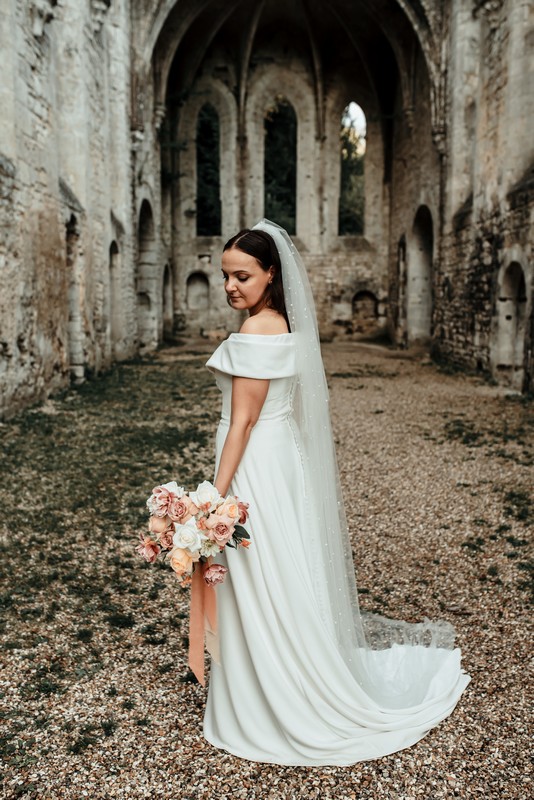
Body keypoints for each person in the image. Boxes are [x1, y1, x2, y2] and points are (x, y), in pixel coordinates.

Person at [203, 219, 470, 766]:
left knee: (262, 573)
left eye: (242, 276)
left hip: (255, 462)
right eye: (225, 276)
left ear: (270, 273)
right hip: (281, 461)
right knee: (280, 571)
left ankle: (272, 697)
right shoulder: (280, 322)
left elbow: (243, 423)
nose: (231, 286)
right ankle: (283, 675)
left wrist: (212, 497)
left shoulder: (256, 332)